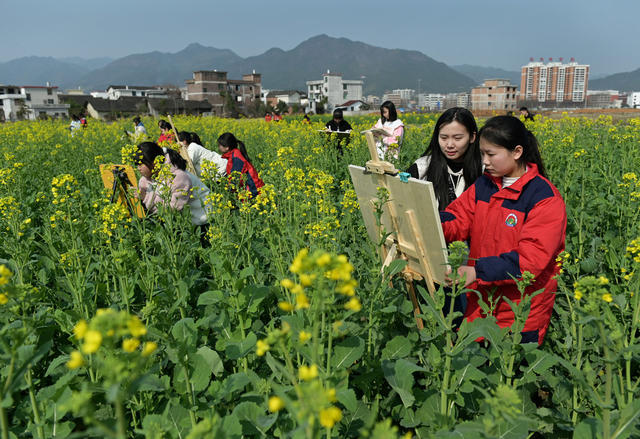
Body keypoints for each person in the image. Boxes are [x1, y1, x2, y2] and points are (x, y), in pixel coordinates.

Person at [440, 116, 566, 345]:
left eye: (491, 154)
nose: (484, 161)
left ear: (517, 152)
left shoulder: (544, 198)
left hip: (520, 312)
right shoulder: (485, 185)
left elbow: (530, 260)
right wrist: (430, 219)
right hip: (480, 303)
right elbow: (458, 218)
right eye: (482, 154)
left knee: (510, 373)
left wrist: (477, 272)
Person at [407, 107, 482, 209]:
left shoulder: (484, 169)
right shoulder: (423, 166)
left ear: (472, 137)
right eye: (443, 138)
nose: (450, 145)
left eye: (457, 138)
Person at [135, 142, 211, 241]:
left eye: (141, 164)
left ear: (154, 162)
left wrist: (145, 197)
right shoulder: (148, 177)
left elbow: (170, 210)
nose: (138, 168)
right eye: (137, 164)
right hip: (185, 223)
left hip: (204, 222)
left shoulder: (179, 177)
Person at [217, 132, 265, 197]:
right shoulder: (233, 154)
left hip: (254, 190)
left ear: (227, 147)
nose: (219, 147)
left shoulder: (236, 157)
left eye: (219, 145)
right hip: (250, 188)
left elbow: (236, 177)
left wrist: (227, 191)